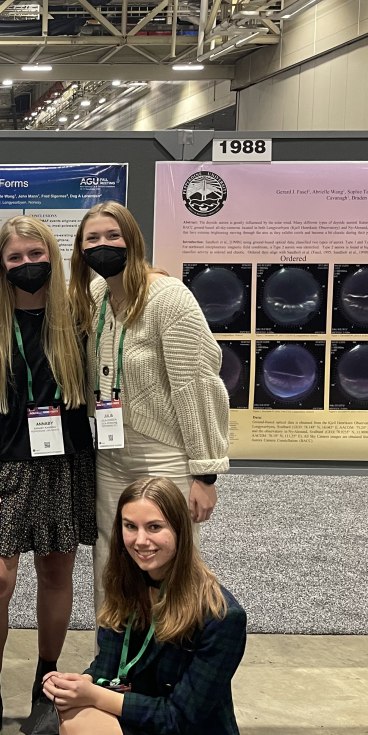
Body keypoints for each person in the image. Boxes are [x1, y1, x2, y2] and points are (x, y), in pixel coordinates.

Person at [0, 215, 96, 735]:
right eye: (15, 258)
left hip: (65, 467)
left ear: (52, 257)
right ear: (1, 263)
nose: (27, 265)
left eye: (36, 255)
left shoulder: (77, 318)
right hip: (4, 469)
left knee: (56, 575)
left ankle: (46, 683)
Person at [68, 201, 229, 609]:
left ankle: (167, 662)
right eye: (93, 239)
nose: (103, 245)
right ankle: (110, 660)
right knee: (112, 554)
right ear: (81, 249)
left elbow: (198, 386)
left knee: (166, 559)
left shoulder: (169, 299)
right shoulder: (97, 294)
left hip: (165, 451)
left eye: (112, 236)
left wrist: (205, 472)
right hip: (110, 449)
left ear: (132, 240)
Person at [42, 477, 246, 735]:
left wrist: (95, 696)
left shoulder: (222, 616)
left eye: (154, 527)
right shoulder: (126, 583)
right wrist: (84, 682)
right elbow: (108, 667)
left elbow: (179, 719)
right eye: (130, 527)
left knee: (79, 732)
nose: (140, 541)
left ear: (179, 530)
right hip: (137, 725)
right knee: (72, 730)